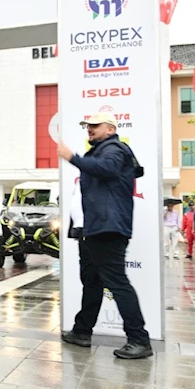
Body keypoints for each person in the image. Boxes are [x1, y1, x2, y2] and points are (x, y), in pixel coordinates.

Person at [57, 112, 152, 360]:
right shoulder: (100, 151)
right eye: (87, 125)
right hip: (92, 229)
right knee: (92, 281)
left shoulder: (115, 149)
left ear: (110, 129)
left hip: (107, 229)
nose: (89, 128)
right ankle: (82, 331)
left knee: (117, 282)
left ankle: (139, 340)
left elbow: (107, 169)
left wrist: (72, 158)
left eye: (95, 125)